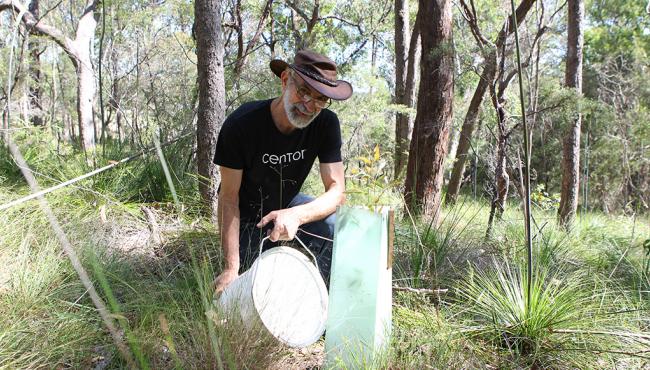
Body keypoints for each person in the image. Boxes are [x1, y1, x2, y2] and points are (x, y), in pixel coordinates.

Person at [212, 50, 353, 294]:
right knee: (252, 283)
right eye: (304, 92)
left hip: (288, 205)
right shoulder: (242, 125)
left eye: (320, 99)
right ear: (286, 80)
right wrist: (230, 267)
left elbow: (337, 190)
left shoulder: (326, 124)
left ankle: (329, 305)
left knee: (337, 227)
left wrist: (297, 215)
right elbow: (228, 197)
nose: (309, 106)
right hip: (248, 219)